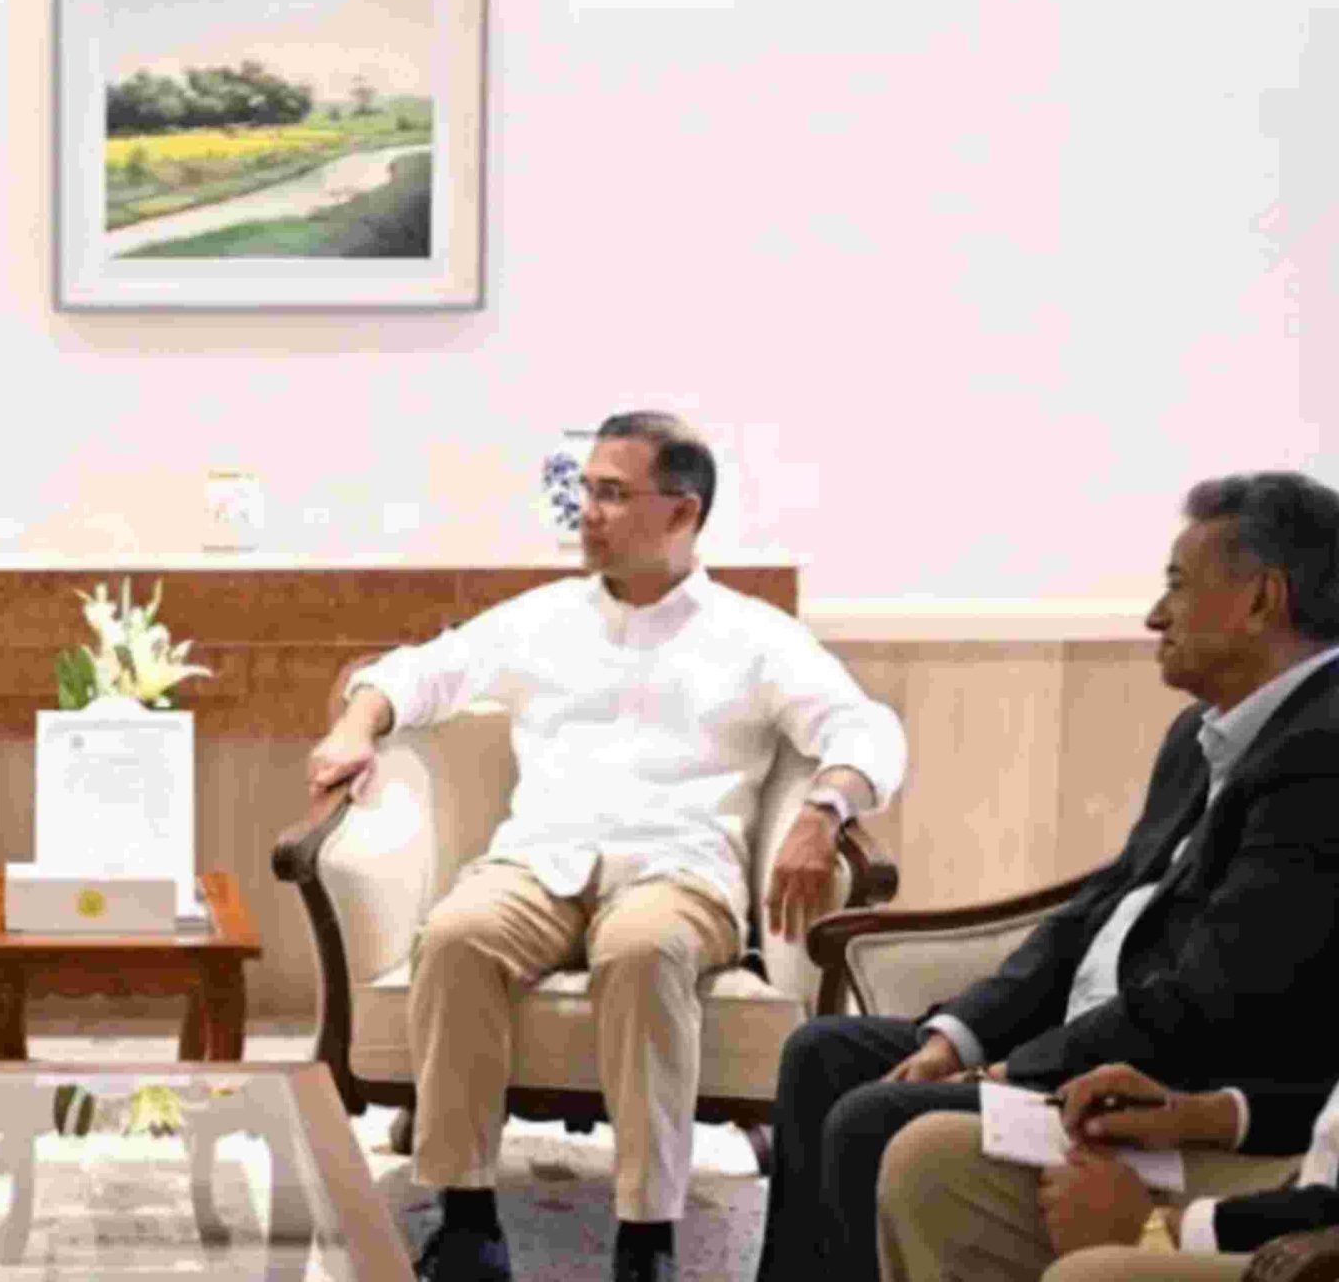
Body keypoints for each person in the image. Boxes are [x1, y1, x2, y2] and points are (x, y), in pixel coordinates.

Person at [306, 412, 908, 1282]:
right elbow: (419, 671)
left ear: (683, 512)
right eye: (586, 489)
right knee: (455, 936)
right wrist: (357, 725)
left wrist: (824, 809)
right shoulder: (545, 617)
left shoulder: (754, 636)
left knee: (642, 951)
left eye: (614, 494)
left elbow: (867, 728)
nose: (587, 511)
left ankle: (645, 1235)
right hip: (540, 864)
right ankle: (467, 1219)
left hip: (678, 875)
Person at [759, 471, 1339, 1282]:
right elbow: (1100, 906)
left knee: (876, 1117)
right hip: (1087, 1042)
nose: (1155, 615)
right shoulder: (1200, 733)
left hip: (1162, 1088)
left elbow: (1212, 997)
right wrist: (956, 1036)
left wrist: (1012, 1070)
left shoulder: (1321, 753)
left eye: (1177, 585)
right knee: (825, 1053)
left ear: (1261, 599)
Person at [878, 1059, 1337, 1281]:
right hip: (1303, 1173)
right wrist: (1199, 1114)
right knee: (931, 1159)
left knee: (1088, 1276)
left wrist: (1161, 1229)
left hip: (1316, 1243)